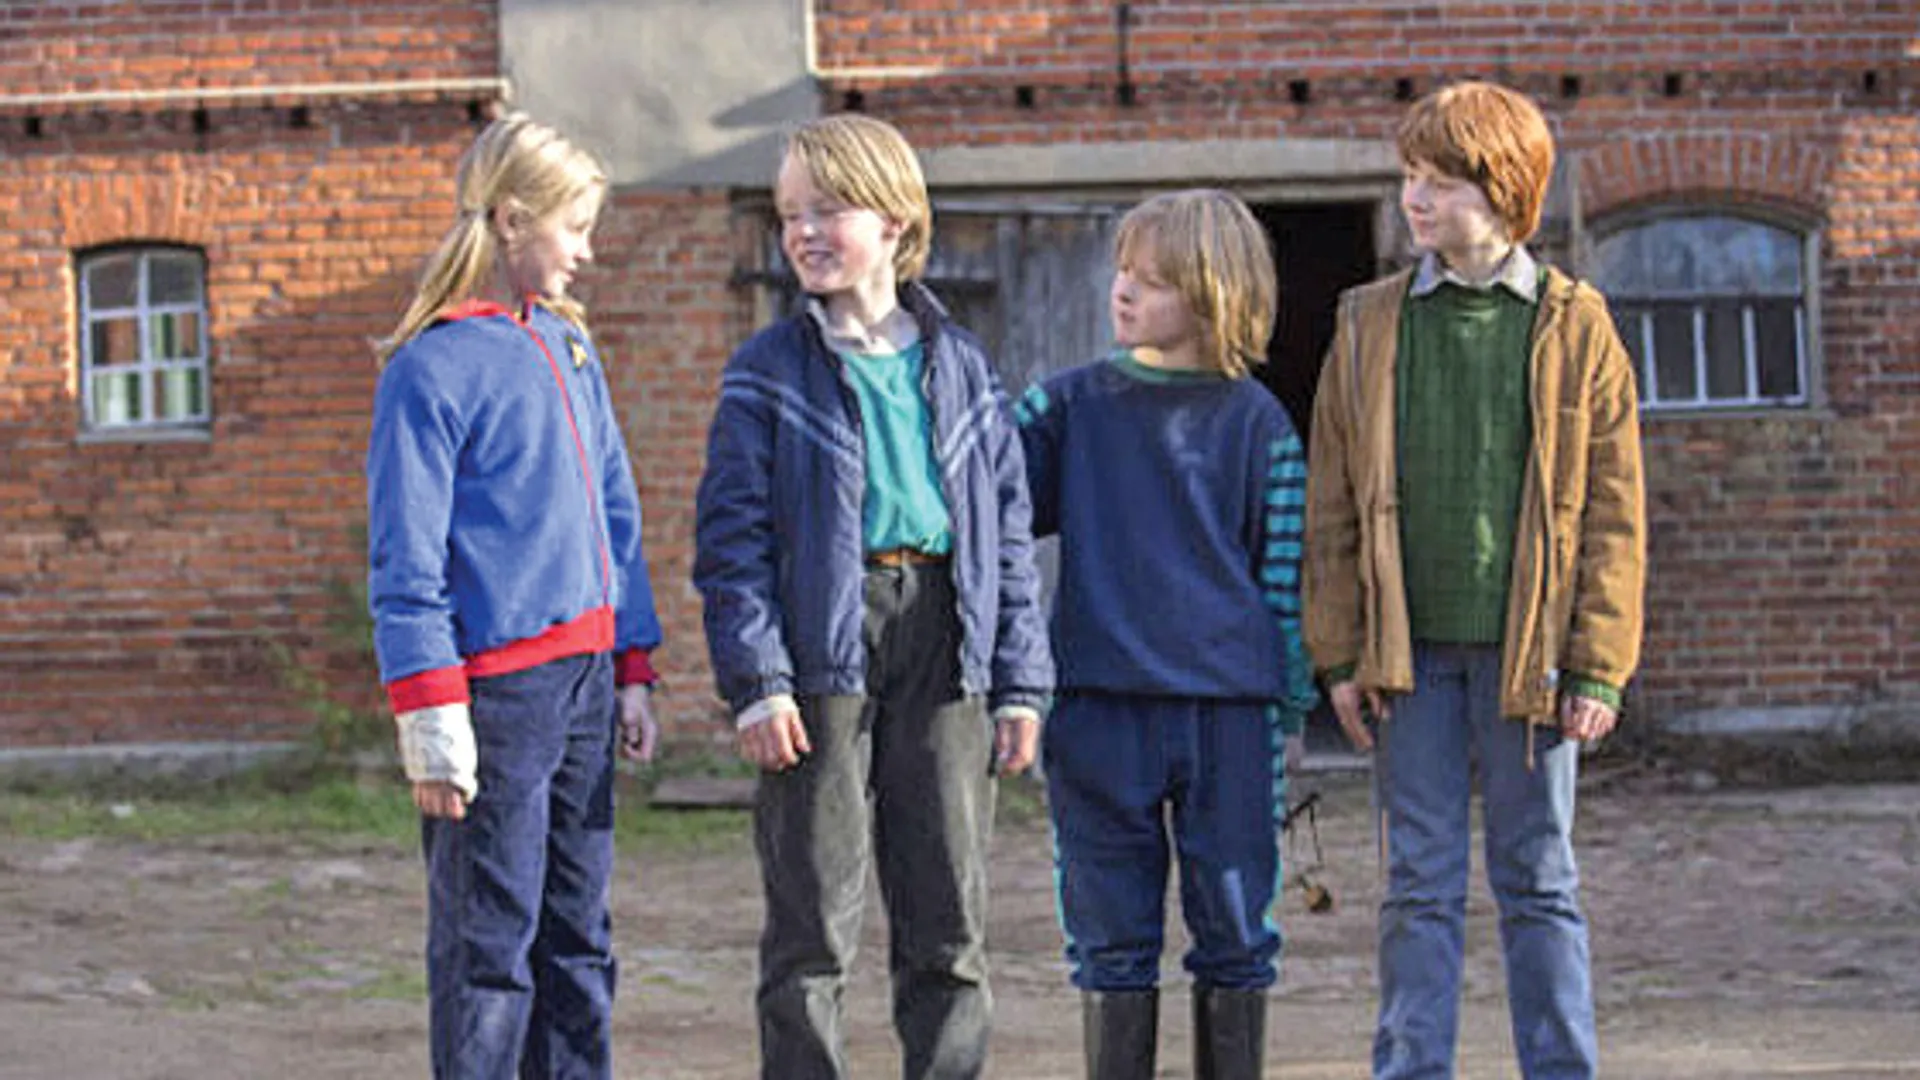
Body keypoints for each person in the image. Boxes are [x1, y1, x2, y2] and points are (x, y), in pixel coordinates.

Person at [691, 113, 1053, 1080]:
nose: (803, 232)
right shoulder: (766, 372)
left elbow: (1006, 535)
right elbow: (731, 544)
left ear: (895, 221)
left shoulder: (962, 366)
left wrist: (1020, 681)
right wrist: (758, 681)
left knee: (949, 918)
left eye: (828, 210)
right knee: (812, 921)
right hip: (823, 644)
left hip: (945, 639)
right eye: (788, 215)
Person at [1302, 80, 1647, 1079]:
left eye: (1442, 182)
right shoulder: (1367, 323)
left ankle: (1561, 1068)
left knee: (1539, 877)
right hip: (1406, 660)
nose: (1416, 198)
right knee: (1418, 883)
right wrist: (1339, 653)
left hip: (1533, 662)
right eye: (1410, 176)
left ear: (1505, 191)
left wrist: (1599, 663)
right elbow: (1332, 505)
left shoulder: (1576, 327)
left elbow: (1615, 511)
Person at [365, 112, 663, 1080]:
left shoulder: (571, 350)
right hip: (497, 698)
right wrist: (429, 712)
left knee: (579, 936)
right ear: (509, 220)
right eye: (573, 228)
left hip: (586, 684)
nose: (586, 251)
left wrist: (633, 664)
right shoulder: (428, 370)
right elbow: (404, 555)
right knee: (488, 946)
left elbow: (616, 513)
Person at [1012, 188, 1318, 1080]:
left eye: (1151, 280)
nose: (1123, 291)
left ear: (1214, 294)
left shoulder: (1260, 424)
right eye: (1122, 272)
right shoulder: (1064, 408)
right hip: (1098, 713)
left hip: (1229, 718)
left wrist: (1288, 706)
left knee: (1237, 932)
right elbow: (989, 507)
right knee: (1109, 939)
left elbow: (1285, 574)